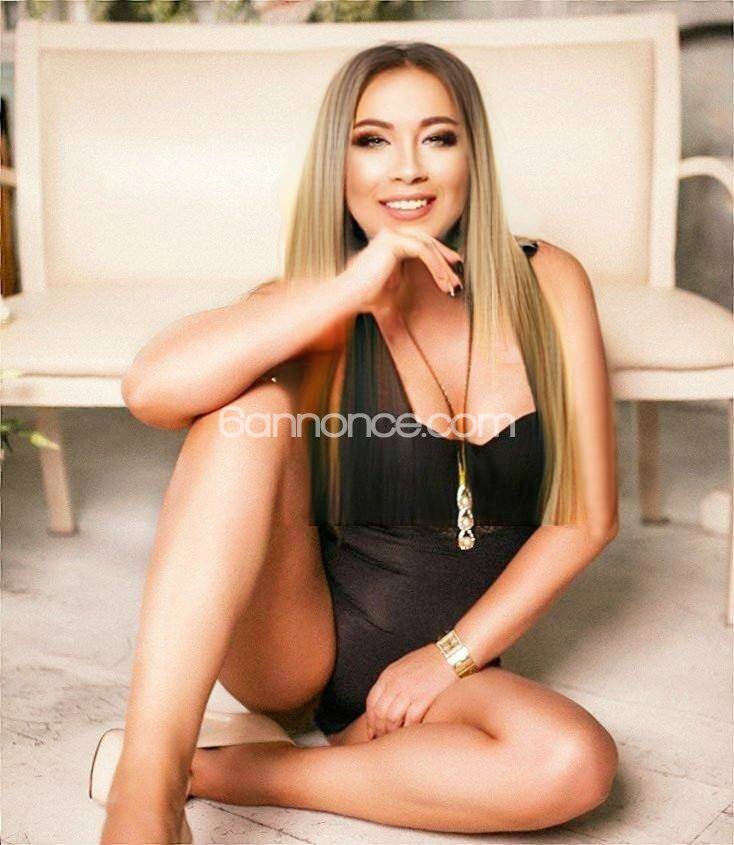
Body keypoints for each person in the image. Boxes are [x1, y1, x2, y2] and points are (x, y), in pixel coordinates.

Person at [96, 41, 619, 842]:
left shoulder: (548, 280)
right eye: (372, 140)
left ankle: (214, 771)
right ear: (338, 164)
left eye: (437, 137)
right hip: (298, 645)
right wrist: (348, 288)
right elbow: (150, 389)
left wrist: (449, 656)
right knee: (244, 415)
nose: (407, 168)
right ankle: (146, 787)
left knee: (574, 761)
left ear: (473, 156)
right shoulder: (314, 303)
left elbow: (586, 517)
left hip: (449, 664)